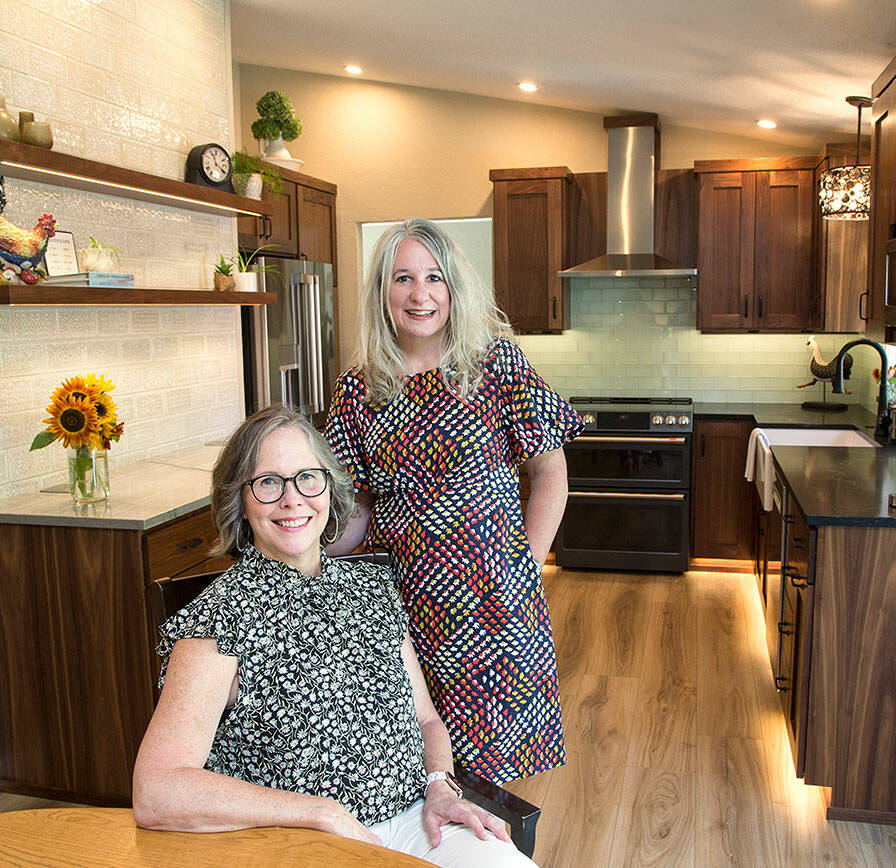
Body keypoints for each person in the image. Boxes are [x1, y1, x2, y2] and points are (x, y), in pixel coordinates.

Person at [131, 406, 534, 867]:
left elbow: (426, 720)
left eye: (307, 477)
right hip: (298, 844)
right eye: (267, 482)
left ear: (329, 486)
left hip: (419, 823)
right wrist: (320, 814)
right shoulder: (218, 623)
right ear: (238, 501)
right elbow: (157, 789)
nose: (292, 499)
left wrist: (440, 784)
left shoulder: (373, 588)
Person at [323, 218, 582, 783]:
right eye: (403, 278)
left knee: (484, 775)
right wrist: (306, 560)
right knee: (404, 767)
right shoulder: (357, 387)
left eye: (434, 278)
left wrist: (526, 570)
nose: (420, 294)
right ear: (381, 294)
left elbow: (551, 474)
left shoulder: (496, 365)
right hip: (399, 607)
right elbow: (357, 507)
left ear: (453, 289)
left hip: (494, 606)